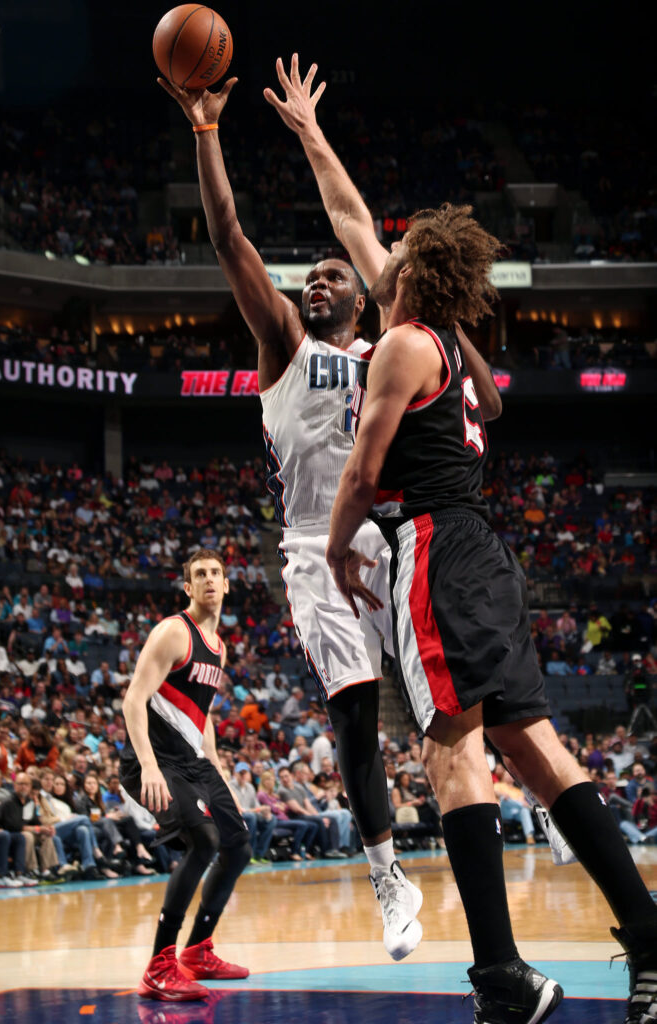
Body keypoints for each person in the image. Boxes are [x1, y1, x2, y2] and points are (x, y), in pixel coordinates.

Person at [324, 201, 657, 1024]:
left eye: (391, 255)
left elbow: (365, 474)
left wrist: (335, 551)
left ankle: (502, 974)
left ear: (403, 278)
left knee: (450, 756)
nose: (379, 256)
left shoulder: (403, 343)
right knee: (537, 751)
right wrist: (308, 134)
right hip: (483, 553)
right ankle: (649, 939)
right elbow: (348, 217)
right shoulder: (445, 348)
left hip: (433, 546)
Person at [159, 60, 434, 960]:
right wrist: (207, 130)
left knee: (456, 705)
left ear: (363, 297)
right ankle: (388, 878)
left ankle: (530, 799)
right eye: (307, 277)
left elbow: (360, 230)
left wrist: (317, 138)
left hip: (398, 538)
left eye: (330, 276)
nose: (316, 282)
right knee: (355, 711)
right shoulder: (282, 342)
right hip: (317, 548)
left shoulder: (390, 348)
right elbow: (228, 232)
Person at [120, 549, 251, 1001]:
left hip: (192, 762)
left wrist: (221, 775)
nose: (210, 580)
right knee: (205, 841)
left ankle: (197, 951)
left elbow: (202, 717)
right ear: (188, 588)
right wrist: (150, 767)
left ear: (227, 584)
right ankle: (159, 965)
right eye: (201, 574)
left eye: (217, 573)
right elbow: (134, 700)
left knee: (237, 845)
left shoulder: (219, 646)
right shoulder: (174, 632)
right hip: (152, 760)